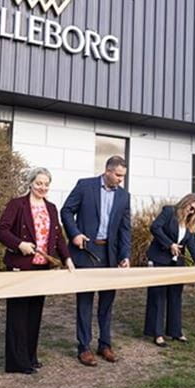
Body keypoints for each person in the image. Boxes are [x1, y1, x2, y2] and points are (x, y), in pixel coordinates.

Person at [0, 167, 75, 374]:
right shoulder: (17, 204)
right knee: (18, 315)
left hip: (43, 269)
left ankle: (30, 357)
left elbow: (58, 237)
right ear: (30, 183)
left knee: (34, 315)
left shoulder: (52, 208)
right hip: (20, 267)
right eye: (39, 183)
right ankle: (17, 362)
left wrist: (67, 258)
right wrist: (19, 243)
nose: (43, 187)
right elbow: (1, 230)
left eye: (46, 184)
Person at [61, 155, 131, 366]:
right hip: (86, 253)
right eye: (118, 175)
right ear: (107, 171)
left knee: (107, 304)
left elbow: (125, 229)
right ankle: (84, 348)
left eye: (123, 176)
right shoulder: (85, 186)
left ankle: (105, 344)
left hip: (110, 256)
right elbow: (66, 210)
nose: (121, 179)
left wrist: (125, 255)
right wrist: (74, 233)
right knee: (85, 302)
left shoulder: (124, 196)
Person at [143, 194, 195, 347]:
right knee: (158, 295)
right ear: (185, 202)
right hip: (160, 259)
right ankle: (157, 333)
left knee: (175, 295)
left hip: (176, 263)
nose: (191, 212)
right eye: (190, 207)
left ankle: (175, 331)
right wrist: (169, 244)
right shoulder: (168, 212)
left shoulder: (189, 222)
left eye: (194, 210)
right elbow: (155, 228)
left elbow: (191, 242)